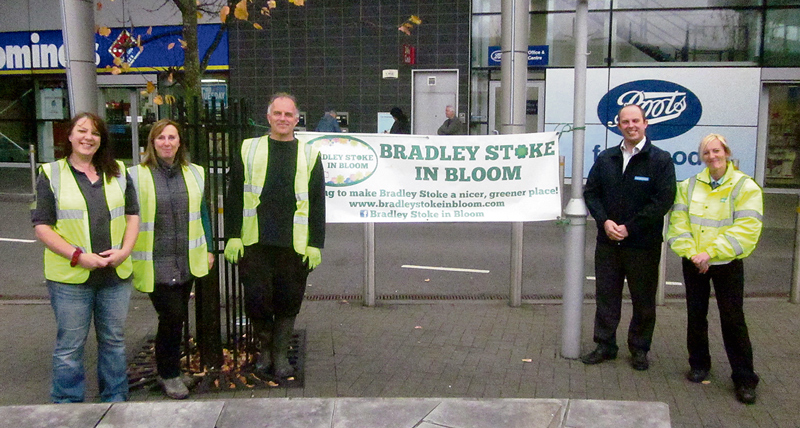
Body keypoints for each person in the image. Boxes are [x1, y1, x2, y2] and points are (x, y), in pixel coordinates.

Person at [31, 112, 140, 403]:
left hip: (115, 275)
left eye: (94, 133)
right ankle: (67, 405)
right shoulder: (51, 173)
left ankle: (115, 399)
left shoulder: (117, 170)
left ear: (101, 139)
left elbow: (132, 215)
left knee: (114, 342)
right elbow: (42, 226)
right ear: (69, 136)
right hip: (70, 279)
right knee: (70, 346)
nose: (87, 137)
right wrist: (79, 256)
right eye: (81, 131)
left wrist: (125, 251)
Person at [224, 92, 326, 379]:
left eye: (288, 114)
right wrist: (232, 234)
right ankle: (265, 351)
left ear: (296, 119)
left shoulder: (309, 153)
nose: (283, 119)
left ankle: (280, 355)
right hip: (255, 242)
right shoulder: (248, 149)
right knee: (256, 300)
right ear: (268, 117)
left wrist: (316, 243)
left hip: (294, 244)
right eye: (277, 114)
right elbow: (233, 196)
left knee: (288, 300)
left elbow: (318, 202)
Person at [666, 134, 763, 404]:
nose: (712, 156)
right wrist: (693, 254)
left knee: (733, 319)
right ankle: (698, 364)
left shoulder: (745, 186)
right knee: (696, 315)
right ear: (702, 157)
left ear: (727, 153)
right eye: (706, 152)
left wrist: (710, 252)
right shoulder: (689, 185)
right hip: (695, 261)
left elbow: (746, 229)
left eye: (716, 151)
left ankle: (744, 378)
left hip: (726, 262)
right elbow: (678, 223)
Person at [582, 104, 676, 371]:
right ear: (619, 125)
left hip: (642, 245)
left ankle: (639, 348)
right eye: (625, 121)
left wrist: (630, 227)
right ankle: (605, 345)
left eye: (636, 120)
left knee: (643, 300)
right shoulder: (606, 158)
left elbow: (663, 201)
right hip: (608, 242)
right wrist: (605, 221)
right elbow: (592, 193)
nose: (631, 125)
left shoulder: (660, 159)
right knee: (606, 296)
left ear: (646, 123)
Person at [127, 119, 215, 399]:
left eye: (172, 137)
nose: (167, 142)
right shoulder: (135, 175)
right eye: (161, 137)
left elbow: (202, 213)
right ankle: (168, 374)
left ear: (180, 142)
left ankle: (172, 371)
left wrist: (210, 248)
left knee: (175, 318)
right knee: (172, 315)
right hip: (154, 260)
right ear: (152, 143)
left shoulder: (195, 173)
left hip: (185, 258)